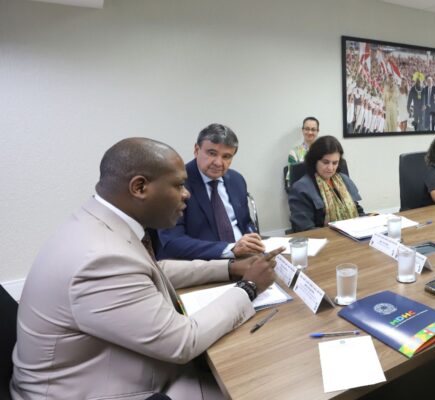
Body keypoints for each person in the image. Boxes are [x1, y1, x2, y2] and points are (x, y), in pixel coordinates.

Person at [11, 138, 283, 399]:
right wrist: (248, 287)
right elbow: (183, 342)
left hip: (109, 367)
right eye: (179, 185)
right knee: (260, 386)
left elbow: (155, 270)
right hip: (97, 390)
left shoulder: (99, 221)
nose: (186, 194)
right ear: (139, 187)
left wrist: (231, 268)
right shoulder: (100, 259)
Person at [158, 124, 265, 260]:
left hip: (245, 257)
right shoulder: (175, 184)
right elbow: (173, 242)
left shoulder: (236, 180)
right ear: (196, 150)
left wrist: (253, 240)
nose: (219, 163)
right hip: (201, 264)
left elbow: (245, 223)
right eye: (212, 153)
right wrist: (230, 249)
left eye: (226, 156)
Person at [289, 135, 364, 232]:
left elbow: (357, 210)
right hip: (323, 242)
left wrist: (371, 220)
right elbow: (304, 229)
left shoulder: (344, 180)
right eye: (325, 162)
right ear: (314, 161)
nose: (330, 168)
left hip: (353, 236)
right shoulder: (301, 188)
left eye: (335, 163)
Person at [287, 116, 320, 182]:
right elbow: (292, 179)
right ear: (303, 130)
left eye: (313, 129)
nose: (310, 132)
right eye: (307, 129)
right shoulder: (294, 152)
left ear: (317, 131)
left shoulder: (324, 150)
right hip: (303, 188)